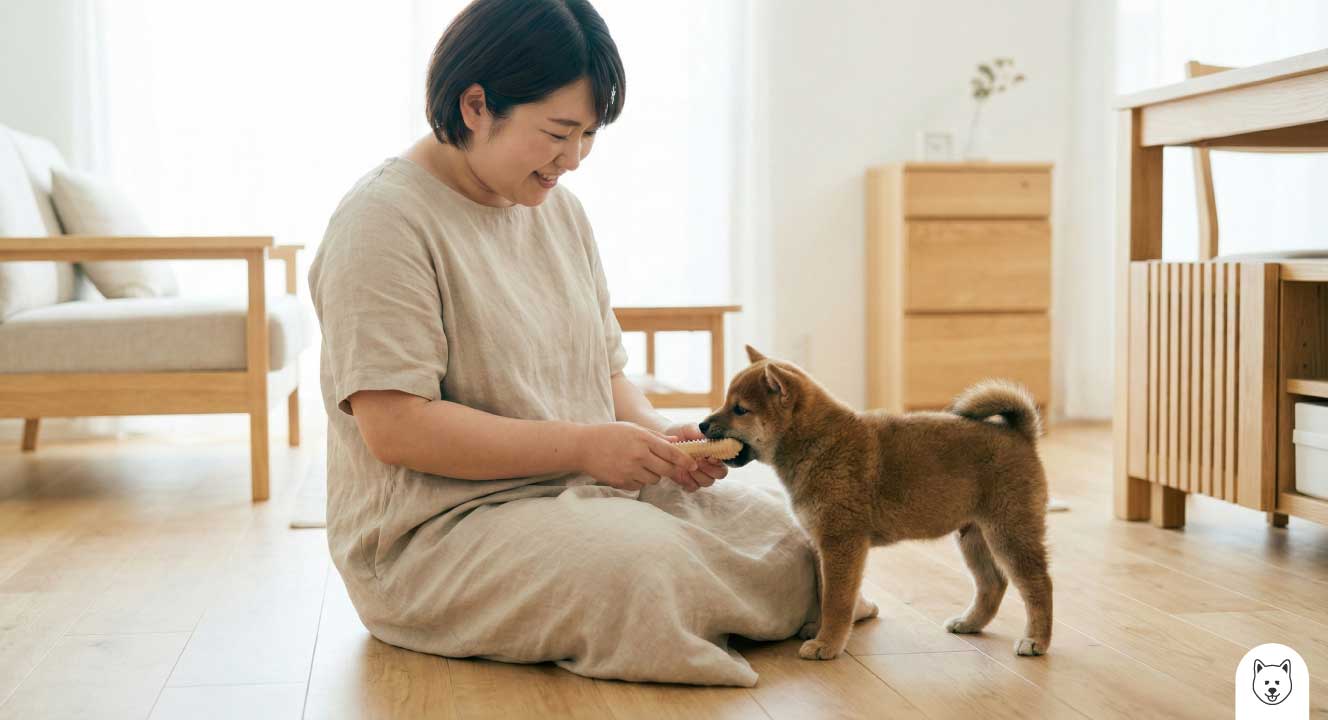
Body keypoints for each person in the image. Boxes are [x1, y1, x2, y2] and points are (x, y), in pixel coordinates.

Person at [308, 0, 819, 686]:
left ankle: (704, 604)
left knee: (792, 533)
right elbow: (397, 430)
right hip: (439, 533)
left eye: (589, 136)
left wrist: (659, 443)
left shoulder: (557, 211)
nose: (573, 160)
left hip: (578, 490)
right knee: (642, 569)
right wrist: (584, 446)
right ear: (476, 105)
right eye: (558, 132)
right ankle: (704, 612)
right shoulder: (382, 222)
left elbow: (605, 378)